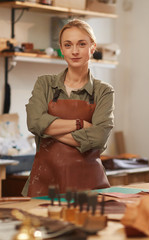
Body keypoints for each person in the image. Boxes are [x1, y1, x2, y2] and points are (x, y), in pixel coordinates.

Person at [23, 19, 114, 197]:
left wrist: (48, 130)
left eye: (81, 44)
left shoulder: (104, 91)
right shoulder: (45, 84)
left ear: (92, 47)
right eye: (68, 45)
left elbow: (98, 138)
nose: (74, 51)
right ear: (62, 49)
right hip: (45, 182)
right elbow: (34, 123)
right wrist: (80, 124)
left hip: (89, 186)